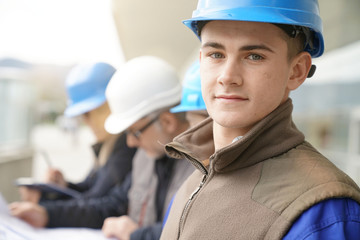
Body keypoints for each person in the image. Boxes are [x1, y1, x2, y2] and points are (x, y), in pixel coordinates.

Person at [160, 1, 360, 239]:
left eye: (254, 56)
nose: (227, 76)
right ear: (201, 61)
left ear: (297, 71)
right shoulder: (194, 180)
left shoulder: (322, 212)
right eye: (216, 54)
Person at [10, 56, 194, 240]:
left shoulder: (200, 168)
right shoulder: (146, 157)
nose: (130, 143)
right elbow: (113, 205)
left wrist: (138, 235)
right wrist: (48, 215)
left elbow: (193, 231)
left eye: (135, 132)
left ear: (167, 122)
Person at [18, 62, 137, 203]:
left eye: (94, 112)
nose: (89, 121)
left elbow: (98, 204)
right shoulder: (108, 145)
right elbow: (91, 188)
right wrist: (63, 186)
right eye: (84, 115)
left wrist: (46, 209)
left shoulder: (126, 145)